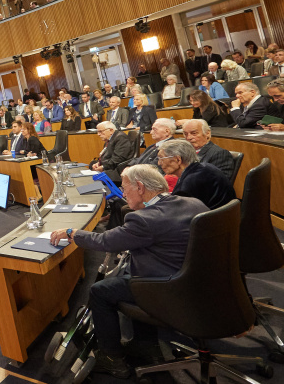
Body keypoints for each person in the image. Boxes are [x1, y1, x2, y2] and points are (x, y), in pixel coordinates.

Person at [48, 166, 208, 378]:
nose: (122, 194)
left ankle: (112, 358)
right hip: (198, 281)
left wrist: (71, 232)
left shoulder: (145, 219)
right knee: (129, 272)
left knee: (100, 291)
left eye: (125, 188)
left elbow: (105, 241)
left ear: (140, 187)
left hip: (166, 287)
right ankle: (146, 345)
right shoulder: (195, 202)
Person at [158, 140, 235, 209]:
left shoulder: (187, 185)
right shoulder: (207, 167)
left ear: (178, 160)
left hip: (209, 222)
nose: (159, 163)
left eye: (161, 158)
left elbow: (175, 214)